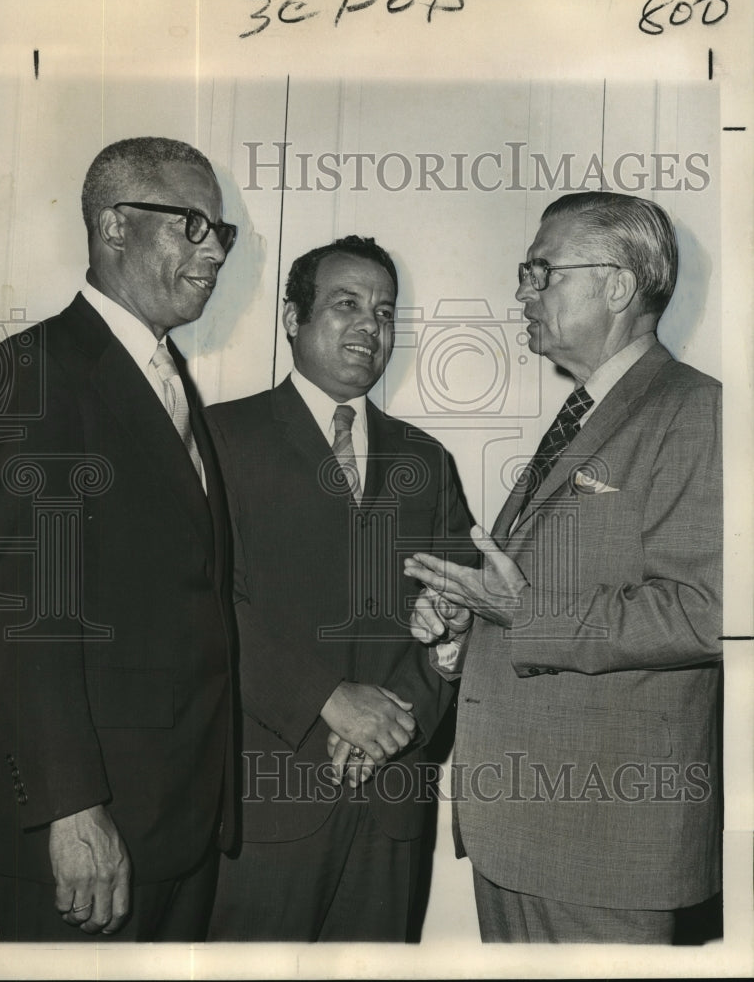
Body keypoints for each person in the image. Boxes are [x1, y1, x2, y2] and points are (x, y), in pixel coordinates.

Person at [405, 191, 722, 944]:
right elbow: (545, 599)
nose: (523, 292)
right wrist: (468, 625)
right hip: (524, 838)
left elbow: (709, 611)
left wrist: (522, 613)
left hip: (603, 851)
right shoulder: (589, 412)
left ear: (617, 285)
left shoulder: (695, 412)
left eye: (542, 272)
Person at [0, 136, 239, 941]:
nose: (215, 254)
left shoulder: (171, 378)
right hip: (95, 834)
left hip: (179, 822)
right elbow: (33, 610)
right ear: (114, 226)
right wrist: (70, 808)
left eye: (221, 234)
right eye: (194, 226)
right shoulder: (40, 368)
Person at [204, 235, 473, 941]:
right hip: (264, 805)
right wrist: (329, 701)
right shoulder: (217, 440)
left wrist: (391, 721)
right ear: (292, 318)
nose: (370, 326)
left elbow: (457, 614)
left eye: (385, 312)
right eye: (346, 304)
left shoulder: (427, 459)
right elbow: (201, 607)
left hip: (391, 809)